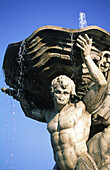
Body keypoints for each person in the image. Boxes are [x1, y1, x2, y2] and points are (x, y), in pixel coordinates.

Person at [19, 34, 107, 170]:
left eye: (66, 93)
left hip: (81, 164)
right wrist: (20, 95)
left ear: (71, 94)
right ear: (52, 93)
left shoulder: (81, 108)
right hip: (59, 166)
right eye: (58, 92)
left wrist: (87, 57)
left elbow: (101, 84)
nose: (62, 96)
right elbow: (29, 112)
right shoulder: (49, 114)